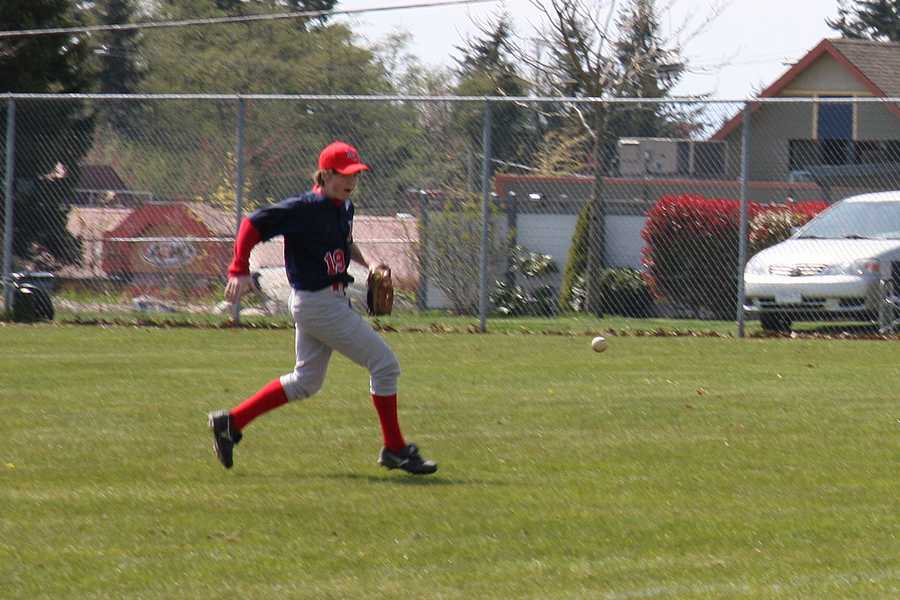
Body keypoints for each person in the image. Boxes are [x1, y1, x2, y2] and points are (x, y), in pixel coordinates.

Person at [208, 140, 437, 475]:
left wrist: (370, 262)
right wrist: (238, 269)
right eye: (345, 174)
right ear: (326, 175)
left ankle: (231, 422)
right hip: (318, 303)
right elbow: (251, 225)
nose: (351, 181)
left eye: (355, 174)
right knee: (385, 365)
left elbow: (344, 243)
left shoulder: (344, 206)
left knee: (306, 381)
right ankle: (395, 449)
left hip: (325, 301)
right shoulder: (304, 208)